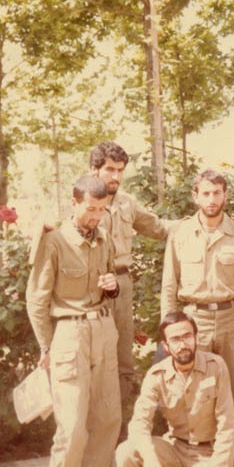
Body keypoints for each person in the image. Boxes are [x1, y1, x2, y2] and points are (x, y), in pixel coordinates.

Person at [26, 175, 121, 467]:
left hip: (103, 330)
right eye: (90, 208)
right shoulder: (54, 241)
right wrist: (46, 346)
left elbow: (106, 282)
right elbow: (37, 299)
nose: (96, 215)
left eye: (101, 209)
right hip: (69, 334)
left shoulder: (104, 237)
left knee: (108, 415)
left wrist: (111, 287)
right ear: (75, 203)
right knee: (72, 421)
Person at [160, 168, 234, 467]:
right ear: (196, 196)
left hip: (230, 320)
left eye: (217, 193)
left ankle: (233, 460)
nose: (212, 199)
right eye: (206, 193)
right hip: (193, 320)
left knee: (231, 392)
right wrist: (170, 331)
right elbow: (168, 286)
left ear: (225, 195)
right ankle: (187, 462)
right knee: (191, 391)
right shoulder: (180, 234)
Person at [116, 312, 234, 467]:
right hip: (175, 447)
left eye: (187, 336)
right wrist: (150, 458)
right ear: (166, 346)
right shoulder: (156, 375)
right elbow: (139, 422)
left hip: (206, 454)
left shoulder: (216, 366)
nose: (183, 344)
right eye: (175, 339)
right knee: (126, 453)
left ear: (196, 337)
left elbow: (227, 424)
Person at [89, 142, 170, 423]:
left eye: (120, 170)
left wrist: (197, 224)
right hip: (90, 287)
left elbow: (158, 227)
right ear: (94, 169)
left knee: (123, 359)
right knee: (93, 359)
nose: (116, 176)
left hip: (121, 286)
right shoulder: (81, 201)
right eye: (109, 170)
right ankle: (92, 428)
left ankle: (118, 426)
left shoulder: (127, 203)